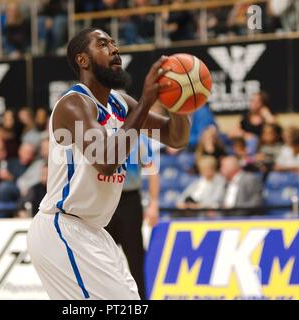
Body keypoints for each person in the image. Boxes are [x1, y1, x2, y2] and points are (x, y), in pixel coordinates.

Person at [27, 28, 191, 300]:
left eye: (115, 43)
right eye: (103, 44)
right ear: (83, 60)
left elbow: (175, 137)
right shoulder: (74, 104)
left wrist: (179, 101)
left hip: (94, 231)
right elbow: (105, 161)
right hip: (63, 227)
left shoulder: (121, 103)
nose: (115, 49)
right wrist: (148, 99)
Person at [105, 134, 160, 299]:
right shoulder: (101, 133)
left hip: (129, 201)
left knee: (135, 259)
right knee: (103, 260)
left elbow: (152, 171)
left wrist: (154, 203)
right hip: (105, 202)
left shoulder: (138, 138)